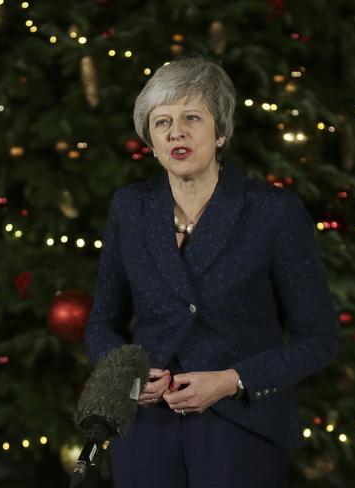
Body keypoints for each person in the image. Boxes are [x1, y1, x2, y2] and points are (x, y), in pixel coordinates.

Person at [84, 56, 339, 488]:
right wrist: (125, 374)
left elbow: (319, 340)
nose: (175, 131)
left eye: (191, 118)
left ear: (220, 132)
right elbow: (101, 324)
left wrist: (232, 381)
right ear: (150, 138)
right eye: (161, 121)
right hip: (146, 428)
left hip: (240, 426)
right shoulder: (130, 207)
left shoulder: (272, 212)